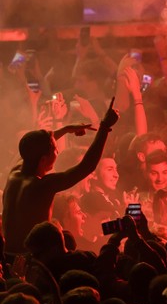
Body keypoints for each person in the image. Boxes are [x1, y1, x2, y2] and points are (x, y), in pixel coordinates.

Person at [2, 98, 118, 256]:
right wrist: (104, 127)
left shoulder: (14, 173)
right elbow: (86, 167)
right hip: (28, 259)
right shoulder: (41, 186)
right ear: (44, 159)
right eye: (55, 149)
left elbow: (37, 144)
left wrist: (66, 129)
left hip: (6, 254)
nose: (57, 152)